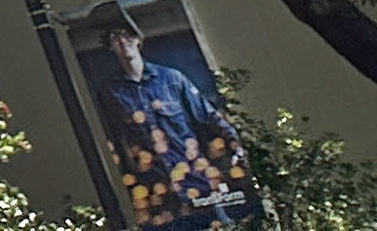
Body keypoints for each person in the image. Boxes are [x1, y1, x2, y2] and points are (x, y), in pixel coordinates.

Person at [87, 14, 256, 231]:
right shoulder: (109, 92)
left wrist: (237, 145)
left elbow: (210, 117)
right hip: (157, 198)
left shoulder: (172, 79)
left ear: (138, 39)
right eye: (114, 38)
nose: (122, 41)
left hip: (197, 186)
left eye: (126, 35)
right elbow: (110, 142)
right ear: (110, 47)